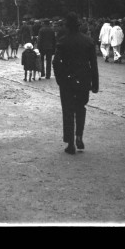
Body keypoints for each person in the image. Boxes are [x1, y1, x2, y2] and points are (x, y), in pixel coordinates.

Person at [52, 12, 99, 155]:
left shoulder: (62, 41)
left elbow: (55, 62)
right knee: (80, 108)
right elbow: (93, 64)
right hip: (84, 79)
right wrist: (95, 83)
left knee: (68, 111)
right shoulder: (88, 41)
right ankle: (79, 136)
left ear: (67, 26)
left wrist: (60, 79)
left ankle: (70, 142)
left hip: (67, 80)